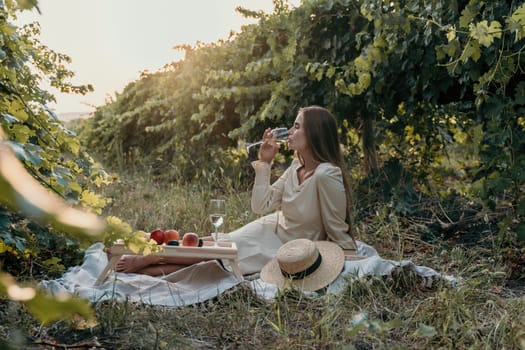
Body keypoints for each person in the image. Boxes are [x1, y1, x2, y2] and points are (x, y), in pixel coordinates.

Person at [111, 105, 357, 276]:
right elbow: (260, 206)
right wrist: (266, 164)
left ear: (314, 133)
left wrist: (351, 260)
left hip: (290, 246)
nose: (289, 132)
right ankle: (152, 255)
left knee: (217, 258)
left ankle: (152, 259)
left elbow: (338, 229)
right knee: (216, 243)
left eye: (296, 127)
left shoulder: (326, 174)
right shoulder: (295, 166)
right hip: (271, 227)